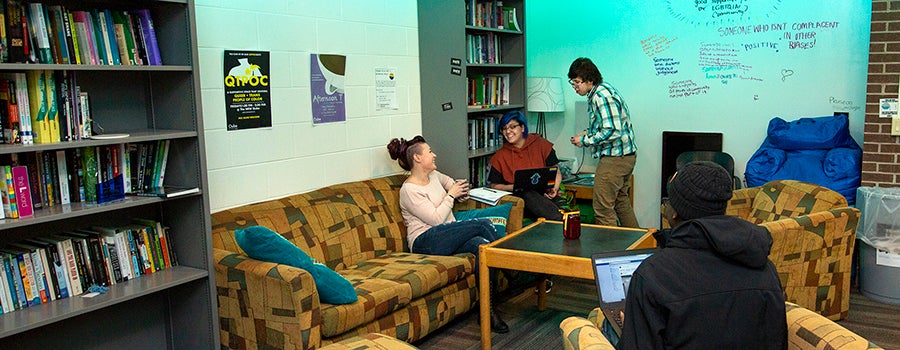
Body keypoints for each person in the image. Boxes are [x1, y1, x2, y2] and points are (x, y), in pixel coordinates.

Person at [611, 161, 787, 349]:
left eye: (668, 202)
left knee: (609, 327)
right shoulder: (764, 266)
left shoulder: (653, 274)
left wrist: (631, 329)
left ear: (675, 214)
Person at [386, 135, 509, 333]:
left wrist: (461, 192)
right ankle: (514, 269)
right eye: (429, 152)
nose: (434, 155)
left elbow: (452, 183)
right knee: (483, 224)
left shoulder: (433, 176)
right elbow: (435, 219)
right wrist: (451, 195)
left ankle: (488, 312)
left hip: (445, 235)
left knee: (481, 246)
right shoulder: (409, 190)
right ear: (418, 158)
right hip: (425, 241)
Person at [567, 57, 638, 227]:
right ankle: (641, 247)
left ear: (589, 80)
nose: (575, 87)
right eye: (573, 82)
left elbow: (612, 130)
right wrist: (588, 132)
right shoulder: (603, 91)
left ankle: (609, 252)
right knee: (621, 202)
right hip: (625, 156)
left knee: (602, 209)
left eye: (577, 82)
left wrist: (585, 140)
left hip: (615, 159)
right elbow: (607, 125)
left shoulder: (601, 96)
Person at [489, 110, 564, 221]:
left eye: (512, 127)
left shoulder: (541, 144)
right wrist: (516, 186)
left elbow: (556, 171)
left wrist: (555, 188)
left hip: (545, 195)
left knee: (557, 202)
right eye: (504, 129)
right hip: (520, 200)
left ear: (522, 127)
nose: (508, 131)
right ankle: (559, 220)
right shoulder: (500, 156)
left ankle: (562, 220)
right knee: (526, 192)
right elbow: (494, 186)